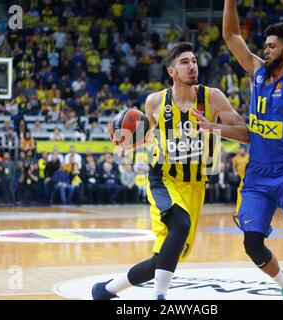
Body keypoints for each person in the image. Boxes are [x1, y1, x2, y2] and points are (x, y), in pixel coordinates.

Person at [92, 41, 248, 300]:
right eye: (184, 62)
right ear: (172, 72)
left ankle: (105, 290)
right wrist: (126, 142)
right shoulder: (154, 102)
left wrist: (213, 127)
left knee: (165, 258)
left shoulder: (213, 97)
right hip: (163, 179)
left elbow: (246, 134)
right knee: (180, 223)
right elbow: (145, 137)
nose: (192, 66)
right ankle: (160, 298)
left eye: (194, 61)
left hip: (196, 187)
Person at [207, 0, 283, 300]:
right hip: (257, 177)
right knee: (252, 244)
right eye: (265, 45)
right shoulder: (257, 73)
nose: (265, 50)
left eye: (272, 46)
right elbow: (230, 36)